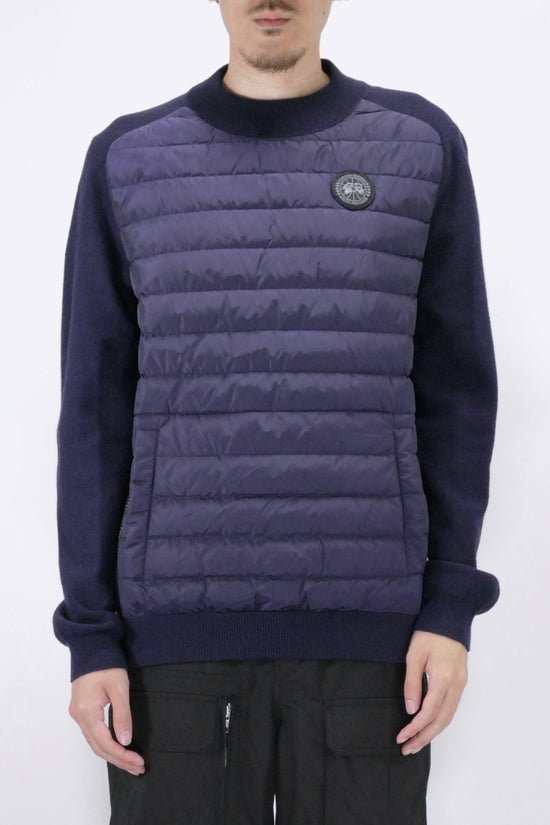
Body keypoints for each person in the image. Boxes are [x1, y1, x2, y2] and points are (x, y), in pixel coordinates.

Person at [52, 1, 500, 823]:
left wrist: (448, 610)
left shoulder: (420, 146)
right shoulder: (127, 158)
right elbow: (94, 414)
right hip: (172, 654)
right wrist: (91, 634)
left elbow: (457, 395)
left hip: (373, 648)